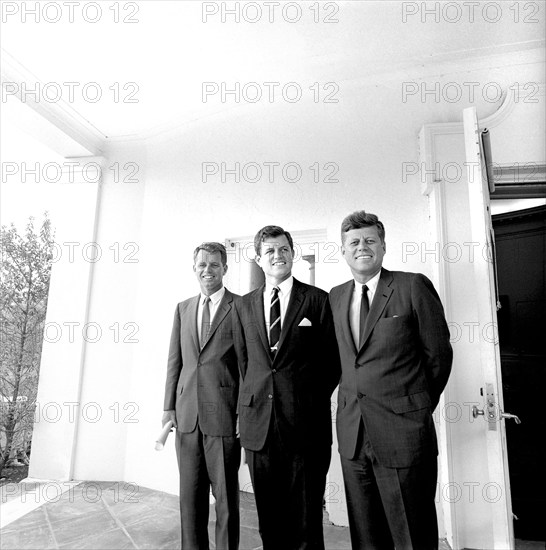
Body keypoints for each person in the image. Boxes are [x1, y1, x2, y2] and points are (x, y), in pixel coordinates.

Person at [330, 211, 453, 550]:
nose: (362, 247)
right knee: (366, 536)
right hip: (353, 435)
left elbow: (439, 356)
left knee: (411, 534)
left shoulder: (411, 286)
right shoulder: (335, 296)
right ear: (343, 251)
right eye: (353, 242)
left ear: (383, 246)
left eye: (370, 240)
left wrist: (416, 408)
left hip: (403, 434)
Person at [233, 225, 340, 550]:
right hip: (259, 428)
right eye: (269, 251)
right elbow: (244, 362)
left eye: (283, 249)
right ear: (259, 258)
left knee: (307, 521)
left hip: (305, 428)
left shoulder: (318, 300)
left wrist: (303, 399)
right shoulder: (243, 305)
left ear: (292, 253)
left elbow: (332, 362)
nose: (277, 256)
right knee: (270, 518)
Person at [162, 242, 241, 550]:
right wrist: (168, 407)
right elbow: (174, 361)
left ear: (225, 268)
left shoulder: (240, 306)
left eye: (214, 264)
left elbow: (246, 365)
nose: (207, 270)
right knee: (190, 500)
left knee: (226, 502)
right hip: (186, 417)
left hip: (223, 416)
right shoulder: (183, 308)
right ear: (194, 268)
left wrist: (242, 413)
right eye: (202, 265)